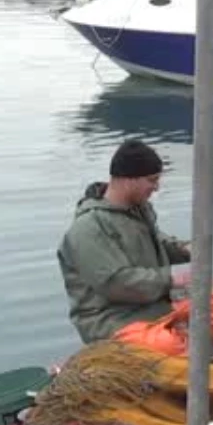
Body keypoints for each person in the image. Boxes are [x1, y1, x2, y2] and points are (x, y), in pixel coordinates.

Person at [58, 139, 192, 345]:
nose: (156, 187)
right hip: (112, 321)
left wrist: (186, 250)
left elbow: (159, 242)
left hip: (152, 307)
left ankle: (178, 336)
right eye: (152, 180)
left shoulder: (139, 211)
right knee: (168, 344)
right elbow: (117, 284)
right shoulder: (88, 229)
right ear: (129, 180)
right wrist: (172, 279)